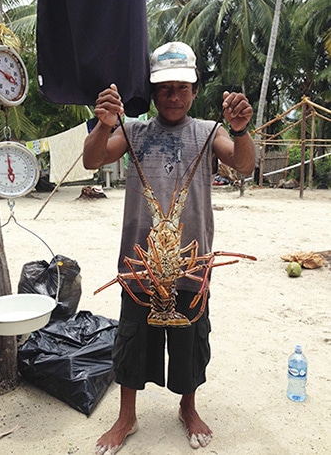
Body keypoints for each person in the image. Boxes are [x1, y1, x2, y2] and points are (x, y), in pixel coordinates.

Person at [83, 41, 256, 454]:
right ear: (153, 92)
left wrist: (241, 129)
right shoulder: (132, 131)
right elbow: (92, 161)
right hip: (139, 266)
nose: (174, 96)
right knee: (131, 340)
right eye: (164, 88)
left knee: (191, 342)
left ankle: (188, 407)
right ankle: (126, 416)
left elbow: (245, 164)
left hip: (190, 265)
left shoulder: (209, 133)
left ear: (195, 91)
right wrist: (104, 123)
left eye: (182, 88)